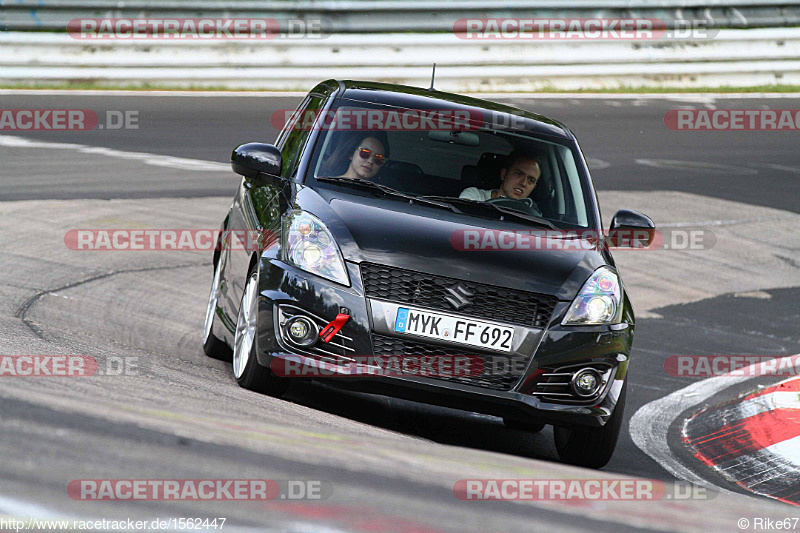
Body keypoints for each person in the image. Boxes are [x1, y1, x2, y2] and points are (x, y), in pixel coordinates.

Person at [459, 150, 541, 205]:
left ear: (533, 188)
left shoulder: (533, 215)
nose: (523, 183)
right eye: (518, 174)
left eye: (531, 180)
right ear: (504, 174)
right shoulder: (474, 196)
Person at [318, 132, 389, 180]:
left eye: (378, 159)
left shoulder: (381, 199)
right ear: (351, 154)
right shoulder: (327, 184)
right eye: (365, 153)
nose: (370, 161)